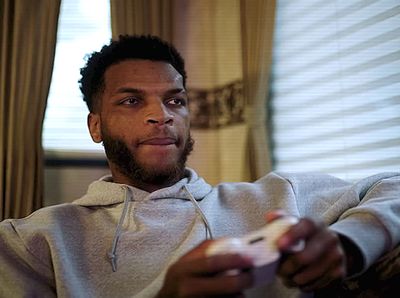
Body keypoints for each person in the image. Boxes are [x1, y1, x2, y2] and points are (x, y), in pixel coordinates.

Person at [0, 35, 399, 298]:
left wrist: (350, 243)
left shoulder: (278, 196)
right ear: (95, 125)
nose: (162, 115)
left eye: (175, 101)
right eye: (132, 101)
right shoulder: (31, 242)